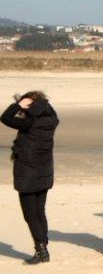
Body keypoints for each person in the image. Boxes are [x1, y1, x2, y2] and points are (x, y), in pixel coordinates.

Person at [1, 91, 59, 264]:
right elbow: (48, 109)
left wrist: (18, 105)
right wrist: (39, 102)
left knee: (30, 214)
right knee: (39, 211)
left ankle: (41, 249)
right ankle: (43, 246)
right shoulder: (52, 120)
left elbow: (5, 118)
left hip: (28, 174)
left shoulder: (29, 123)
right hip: (44, 173)